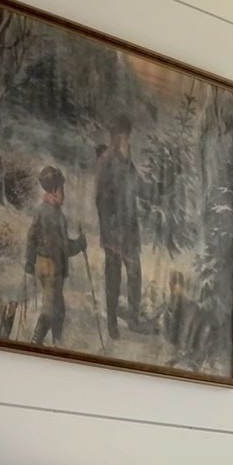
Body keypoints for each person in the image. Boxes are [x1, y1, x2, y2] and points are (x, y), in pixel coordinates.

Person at [24, 166, 87, 347]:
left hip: (41, 264)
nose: (63, 194)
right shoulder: (56, 216)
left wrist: (29, 262)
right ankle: (36, 341)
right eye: (61, 190)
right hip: (53, 266)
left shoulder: (40, 210)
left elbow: (31, 237)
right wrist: (80, 244)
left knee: (58, 307)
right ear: (53, 191)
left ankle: (57, 342)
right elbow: (64, 247)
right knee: (51, 308)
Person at [95, 116, 142, 341]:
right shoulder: (106, 161)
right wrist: (111, 236)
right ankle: (112, 324)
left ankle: (133, 320)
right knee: (113, 280)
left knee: (135, 275)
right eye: (124, 136)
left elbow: (139, 188)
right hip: (114, 234)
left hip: (130, 232)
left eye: (127, 135)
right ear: (117, 137)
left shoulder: (127, 162)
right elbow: (102, 202)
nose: (127, 140)